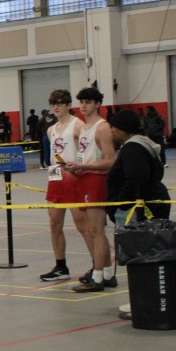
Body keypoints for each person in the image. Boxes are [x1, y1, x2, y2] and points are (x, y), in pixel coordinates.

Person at [107, 109, 172, 321]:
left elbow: (135, 180)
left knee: (140, 256)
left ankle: (143, 301)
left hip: (138, 210)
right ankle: (146, 298)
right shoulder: (143, 145)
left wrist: (120, 204)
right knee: (148, 255)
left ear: (123, 129)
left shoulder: (133, 148)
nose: (111, 131)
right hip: (149, 205)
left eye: (113, 127)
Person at [63, 88, 117, 293]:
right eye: (81, 102)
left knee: (96, 230)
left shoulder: (102, 128)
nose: (83, 106)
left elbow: (110, 160)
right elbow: (85, 156)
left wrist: (84, 166)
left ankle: (98, 276)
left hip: (96, 180)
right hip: (84, 178)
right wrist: (77, 166)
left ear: (97, 104)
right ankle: (107, 274)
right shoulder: (84, 127)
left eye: (88, 102)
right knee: (91, 229)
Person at [40, 89, 85, 282]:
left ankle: (98, 267)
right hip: (55, 177)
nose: (56, 107)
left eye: (59, 103)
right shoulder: (51, 130)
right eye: (53, 104)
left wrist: (81, 168)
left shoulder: (78, 125)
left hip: (74, 178)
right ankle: (60, 266)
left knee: (82, 225)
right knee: (54, 223)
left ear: (68, 105)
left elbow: (86, 150)